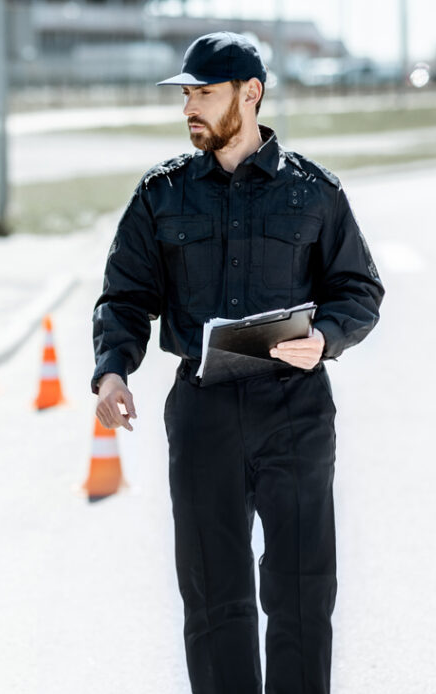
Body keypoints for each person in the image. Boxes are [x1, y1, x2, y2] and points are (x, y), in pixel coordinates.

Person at [92, 32, 384, 694]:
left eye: (205, 93)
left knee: (302, 595)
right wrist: (113, 370)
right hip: (203, 415)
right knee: (213, 599)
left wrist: (328, 336)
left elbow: (359, 291)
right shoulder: (161, 195)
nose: (190, 108)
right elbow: (125, 296)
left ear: (250, 94)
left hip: (295, 411)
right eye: (187, 95)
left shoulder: (314, 193)